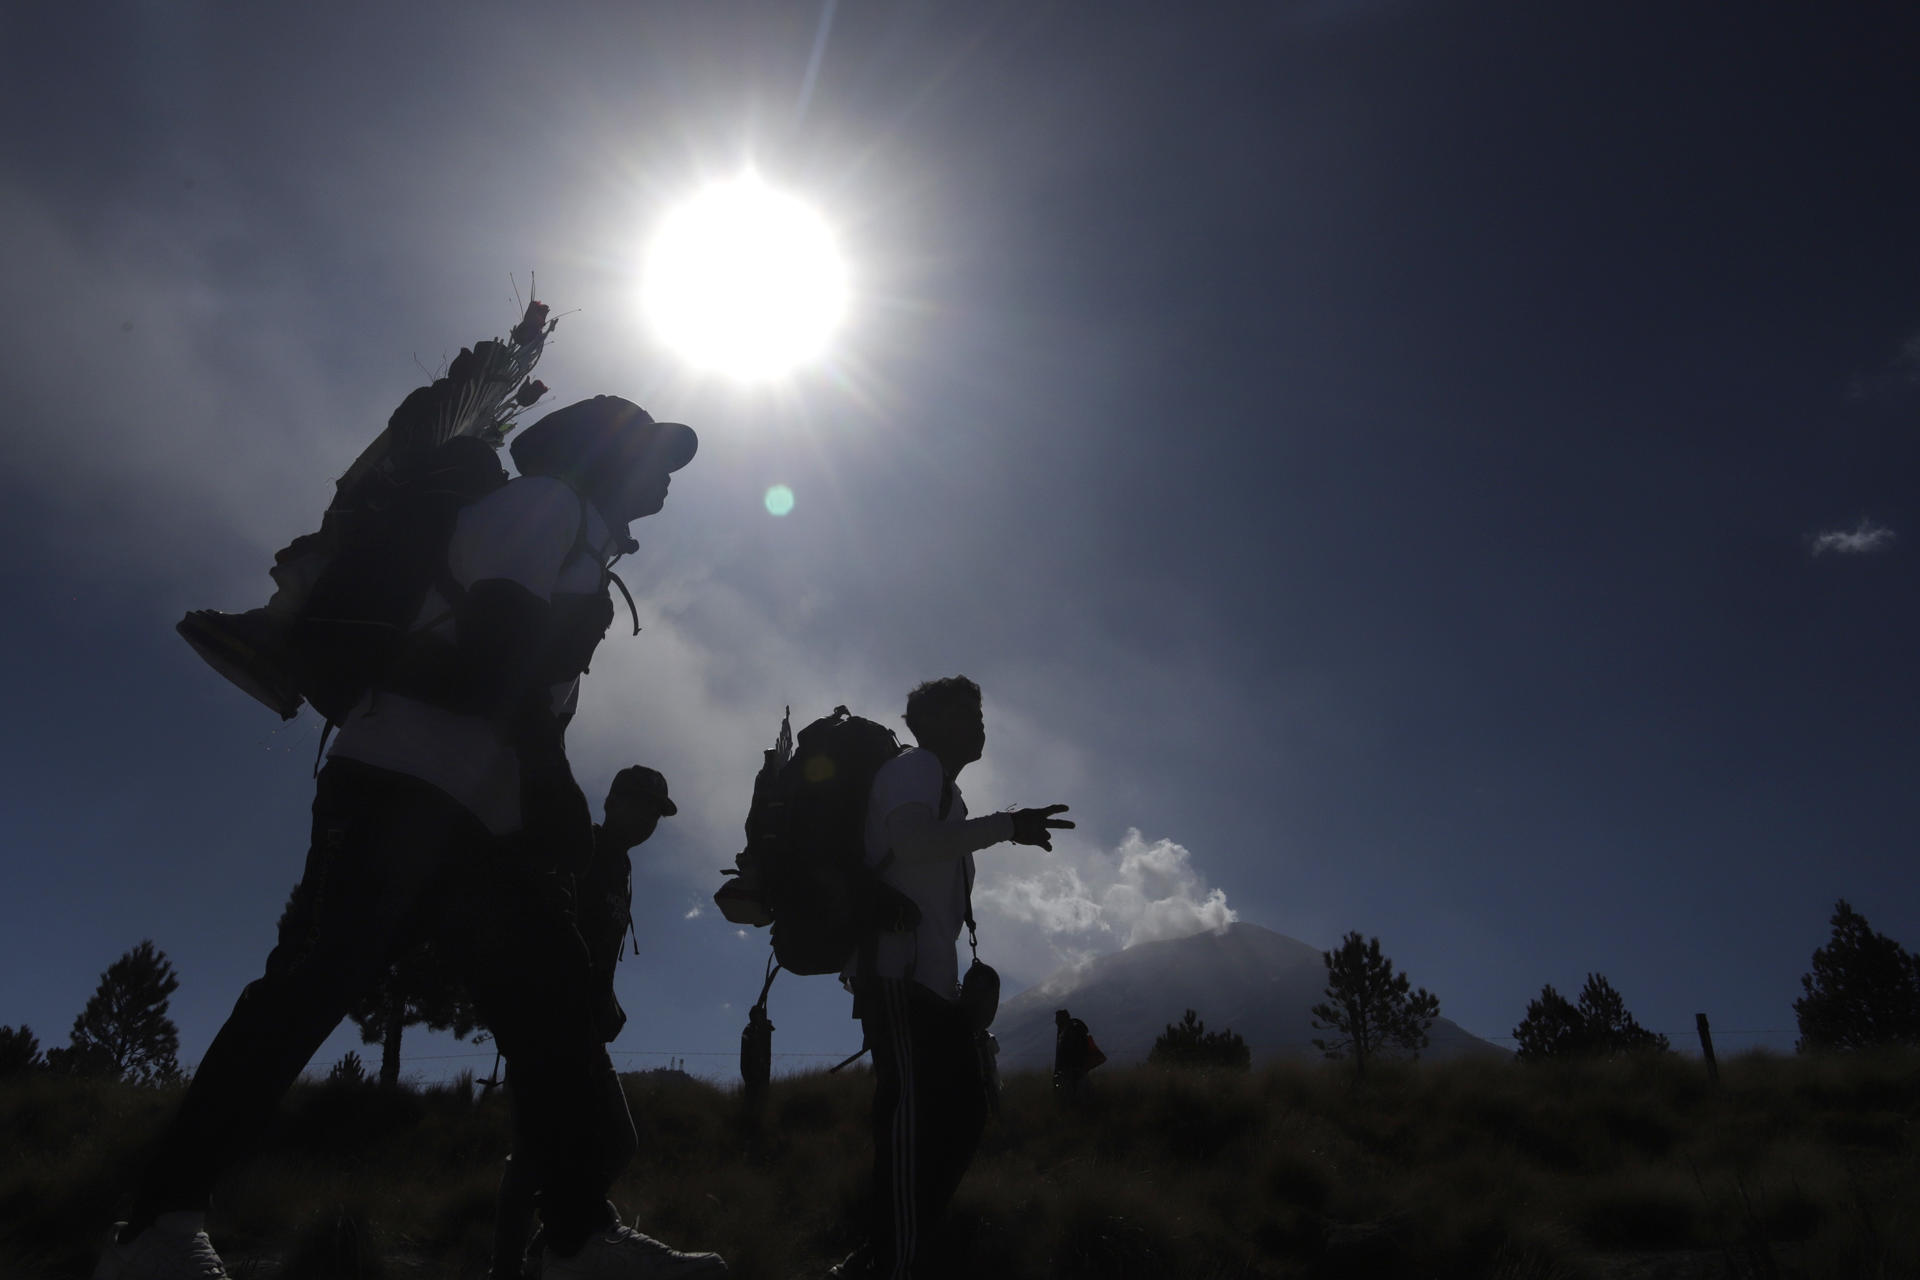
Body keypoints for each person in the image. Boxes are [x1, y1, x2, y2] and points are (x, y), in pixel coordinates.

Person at [95, 397, 726, 1280]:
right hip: (399, 786)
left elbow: (508, 675)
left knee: (552, 1011)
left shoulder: (576, 536)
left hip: (467, 815)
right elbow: (498, 642)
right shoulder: (544, 506)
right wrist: (551, 782)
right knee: (307, 994)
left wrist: (535, 786)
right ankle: (155, 1229)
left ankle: (581, 1238)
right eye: (654, 458)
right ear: (601, 459)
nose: (664, 478)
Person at [832, 676, 1073, 1280]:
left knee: (959, 1113)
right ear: (929, 721)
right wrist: (1008, 825)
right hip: (896, 975)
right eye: (966, 712)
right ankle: (892, 1263)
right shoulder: (915, 768)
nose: (980, 723)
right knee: (913, 1123)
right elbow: (912, 845)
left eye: (981, 712)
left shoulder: (944, 792)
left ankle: (884, 1253)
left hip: (927, 985)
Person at [489, 765, 686, 1280]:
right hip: (544, 1019)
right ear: (612, 802)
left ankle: (548, 1246)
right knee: (540, 1151)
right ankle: (517, 1266)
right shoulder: (580, 849)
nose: (648, 821)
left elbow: (598, 947)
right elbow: (551, 930)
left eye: (656, 814)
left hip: (580, 1026)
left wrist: (605, 996)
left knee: (613, 1142)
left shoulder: (619, 865)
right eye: (640, 806)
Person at [1052, 1009, 1096, 1103]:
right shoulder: (1069, 1030)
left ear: (1062, 1019)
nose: (1055, 1022)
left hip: (1072, 1072)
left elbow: (1068, 1053)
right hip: (1077, 1071)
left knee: (1073, 1099)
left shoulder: (1069, 1032)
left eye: (1057, 1019)